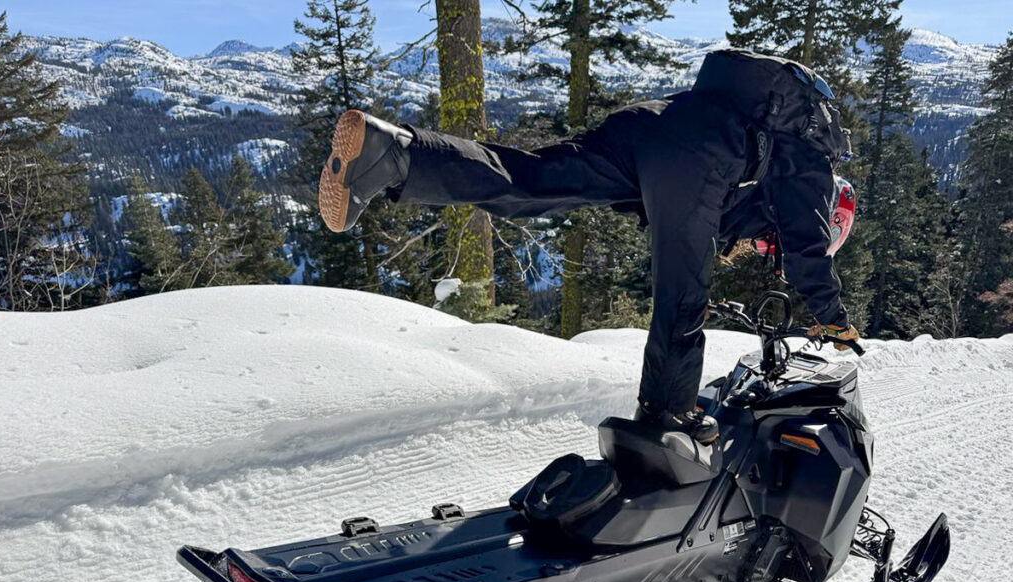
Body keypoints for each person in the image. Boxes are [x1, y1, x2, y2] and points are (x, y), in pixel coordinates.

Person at [316, 49, 860, 446]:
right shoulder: (814, 166)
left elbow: (721, 210)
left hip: (648, 127)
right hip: (692, 156)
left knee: (526, 181)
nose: (774, 250)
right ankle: (667, 419)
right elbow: (807, 245)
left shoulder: (760, 148)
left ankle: (394, 154)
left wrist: (725, 233)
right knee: (682, 301)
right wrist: (833, 318)